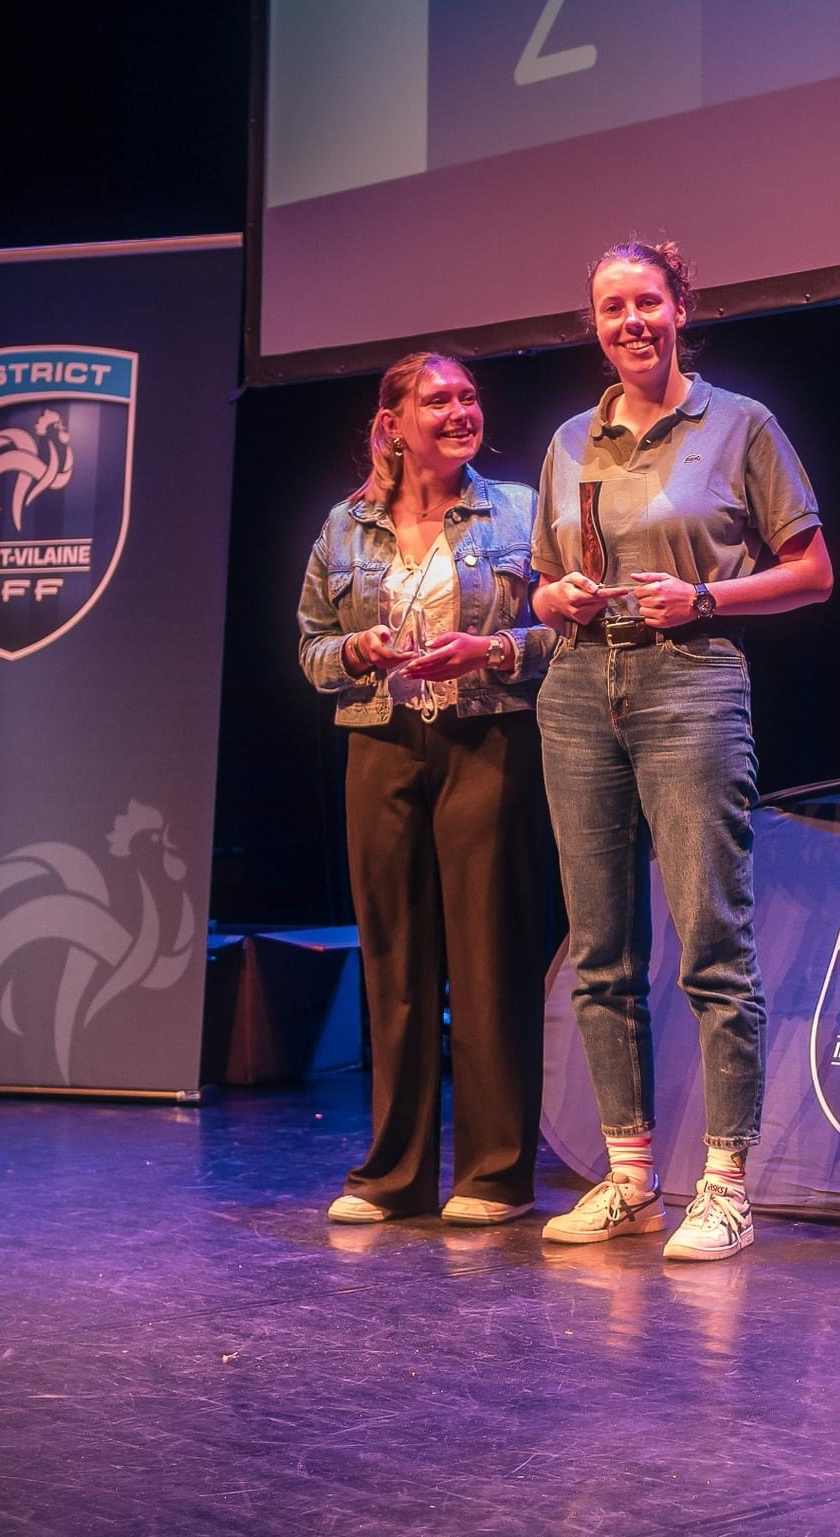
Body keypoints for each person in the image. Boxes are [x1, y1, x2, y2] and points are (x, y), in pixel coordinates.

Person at [531, 239, 833, 1261]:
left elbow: (814, 571)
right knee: (600, 947)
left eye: (646, 303)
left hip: (692, 681)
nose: (631, 323)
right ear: (596, 324)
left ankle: (723, 1183)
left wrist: (702, 595)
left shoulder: (738, 423)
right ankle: (627, 1181)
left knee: (712, 941)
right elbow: (539, 584)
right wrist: (552, 596)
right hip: (577, 686)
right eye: (612, 308)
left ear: (678, 309)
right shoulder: (572, 438)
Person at [297, 352, 553, 1228]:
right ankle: (394, 1174)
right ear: (392, 425)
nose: (459, 412)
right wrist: (355, 653)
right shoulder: (346, 525)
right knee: (394, 960)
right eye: (437, 400)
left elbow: (565, 632)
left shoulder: (520, 508)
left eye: (469, 397)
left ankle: (494, 1173)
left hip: (488, 737)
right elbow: (309, 649)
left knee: (489, 956)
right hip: (381, 742)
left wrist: (493, 651)